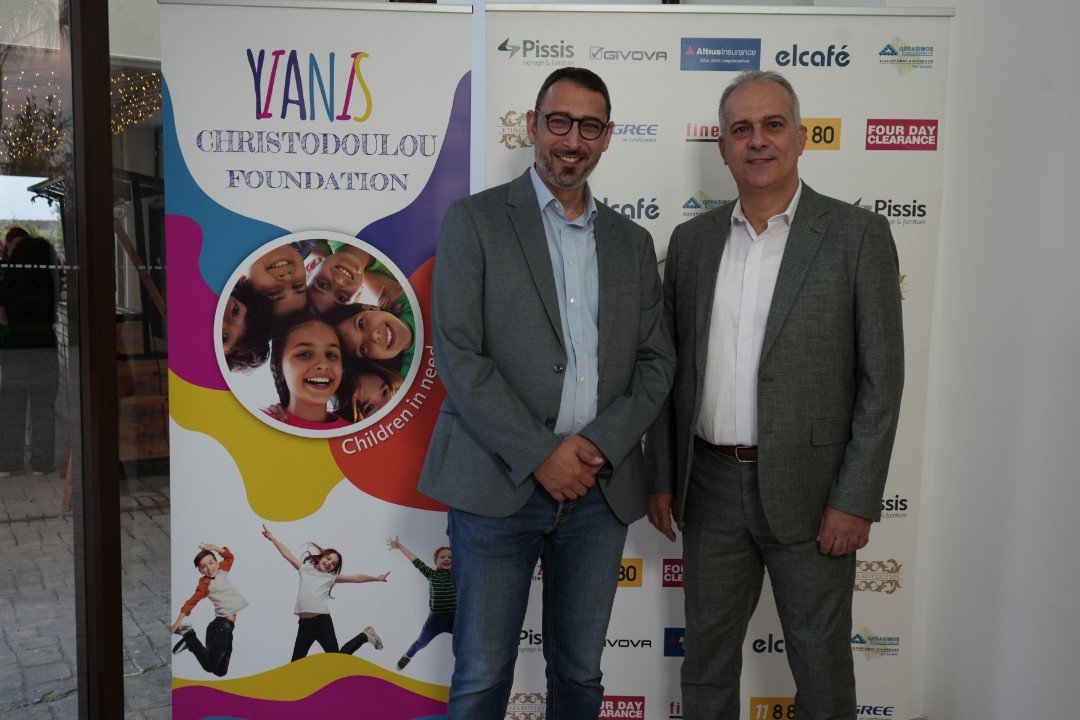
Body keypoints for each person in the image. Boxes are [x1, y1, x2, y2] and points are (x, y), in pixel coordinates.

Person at [644, 71, 904, 720]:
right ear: (723, 147)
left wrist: (855, 498)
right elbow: (671, 376)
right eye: (741, 129)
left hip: (815, 493)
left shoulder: (857, 236)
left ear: (801, 137)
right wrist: (662, 478)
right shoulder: (692, 243)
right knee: (706, 663)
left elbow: (882, 381)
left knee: (820, 666)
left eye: (772, 125)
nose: (757, 140)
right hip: (708, 487)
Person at [418, 67, 675, 719]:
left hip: (598, 491)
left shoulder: (632, 243)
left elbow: (656, 363)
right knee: (481, 676)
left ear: (607, 136)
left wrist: (597, 446)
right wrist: (540, 453)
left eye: (589, 126)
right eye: (559, 122)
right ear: (533, 127)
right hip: (494, 483)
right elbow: (460, 355)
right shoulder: (475, 221)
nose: (572, 140)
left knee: (580, 674)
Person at [261, 525, 389, 661]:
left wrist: (377, 578)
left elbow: (355, 578)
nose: (329, 563)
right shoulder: (305, 569)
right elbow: (287, 554)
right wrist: (272, 538)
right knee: (295, 664)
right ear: (322, 556)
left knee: (336, 661)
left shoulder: (330, 578)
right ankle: (365, 636)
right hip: (304, 625)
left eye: (333, 564)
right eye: (328, 559)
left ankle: (364, 636)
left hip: (322, 623)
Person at [0, 234, 60, 478]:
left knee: (11, 406)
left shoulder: (8, 280)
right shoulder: (48, 283)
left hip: (15, 345)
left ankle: (8, 463)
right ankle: (41, 464)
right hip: (44, 343)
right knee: (43, 406)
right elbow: (54, 314)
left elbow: (2, 316)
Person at [170, 544, 248, 677]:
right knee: (210, 666)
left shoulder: (222, 570)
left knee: (221, 671)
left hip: (225, 627)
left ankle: (191, 643)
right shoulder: (205, 584)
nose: (209, 568)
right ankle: (188, 635)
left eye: (211, 563)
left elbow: (229, 557)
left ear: (217, 563)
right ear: (200, 571)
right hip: (220, 627)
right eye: (203, 567)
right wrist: (178, 621)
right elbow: (191, 602)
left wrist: (214, 547)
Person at [265, 314, 349, 429]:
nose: (323, 365)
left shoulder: (357, 433)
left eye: (331, 355)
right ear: (280, 368)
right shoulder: (258, 425)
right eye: (305, 354)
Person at [386, 536, 455, 671]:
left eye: (450, 557)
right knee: (421, 642)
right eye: (442, 557)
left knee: (467, 641)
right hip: (436, 619)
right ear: (436, 561)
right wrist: (399, 546)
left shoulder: (458, 575)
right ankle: (408, 655)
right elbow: (415, 560)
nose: (446, 559)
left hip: (455, 618)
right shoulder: (431, 574)